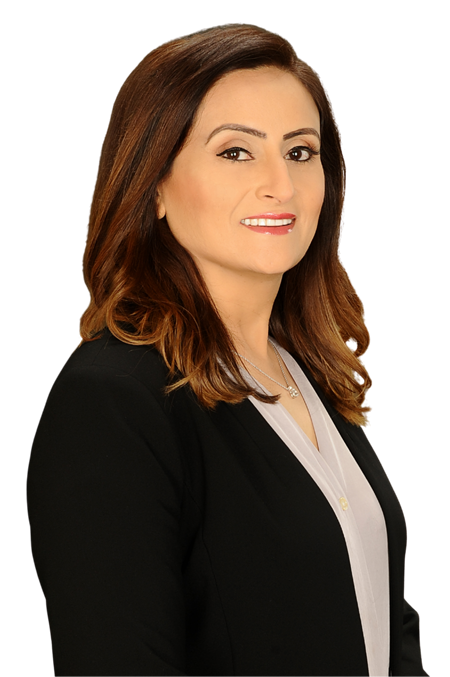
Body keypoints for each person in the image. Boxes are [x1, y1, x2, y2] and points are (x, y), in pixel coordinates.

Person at [26, 23, 430, 677]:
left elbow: (381, 621)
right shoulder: (112, 401)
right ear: (155, 184)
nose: (281, 184)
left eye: (300, 151)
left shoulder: (309, 375)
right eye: (236, 152)